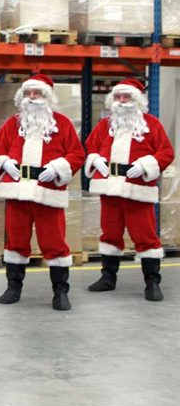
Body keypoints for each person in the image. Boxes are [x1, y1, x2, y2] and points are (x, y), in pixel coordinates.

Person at [0, 75, 85, 310]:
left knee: (54, 243)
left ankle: (60, 291)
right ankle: (13, 288)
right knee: (15, 241)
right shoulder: (13, 124)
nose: (32, 98)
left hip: (48, 193)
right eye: (28, 93)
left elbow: (76, 154)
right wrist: (4, 162)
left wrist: (57, 168)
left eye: (37, 93)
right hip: (18, 192)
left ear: (48, 97)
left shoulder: (62, 124)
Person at [85, 78, 175, 300]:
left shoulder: (152, 124)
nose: (122, 101)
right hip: (110, 188)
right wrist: (95, 159)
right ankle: (108, 278)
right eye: (118, 97)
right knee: (110, 233)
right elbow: (90, 145)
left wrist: (146, 165)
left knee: (145, 235)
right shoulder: (105, 125)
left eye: (127, 97)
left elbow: (165, 153)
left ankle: (152, 281)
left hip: (138, 189)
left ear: (137, 100)